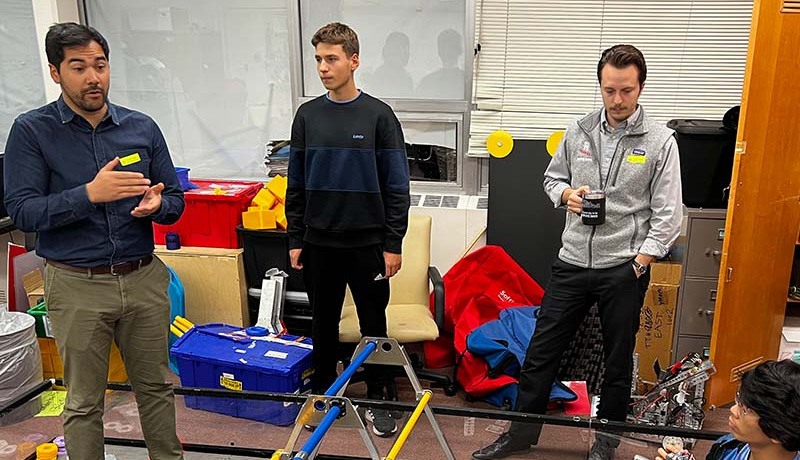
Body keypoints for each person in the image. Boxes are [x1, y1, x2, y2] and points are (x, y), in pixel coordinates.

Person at [472, 44, 683, 460]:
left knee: (617, 362)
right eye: (609, 90)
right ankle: (519, 436)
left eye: (626, 91)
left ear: (641, 87)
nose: (617, 100)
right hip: (571, 262)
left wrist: (640, 263)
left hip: (623, 268)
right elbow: (552, 179)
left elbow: (669, 214)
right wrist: (566, 193)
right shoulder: (580, 130)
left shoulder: (661, 142)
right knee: (540, 353)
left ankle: (606, 443)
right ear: (600, 87)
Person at [3, 23, 185, 460]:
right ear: (55, 72)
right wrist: (88, 195)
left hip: (142, 277)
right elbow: (24, 212)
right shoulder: (32, 132)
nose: (93, 78)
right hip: (76, 284)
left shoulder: (141, 127)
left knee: (157, 388)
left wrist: (156, 207)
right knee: (84, 400)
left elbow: (175, 200)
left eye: (100, 66)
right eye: (79, 67)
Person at [286, 22, 410, 438]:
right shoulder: (307, 116)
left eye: (331, 58)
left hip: (368, 244)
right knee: (321, 323)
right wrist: (295, 238)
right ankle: (324, 395)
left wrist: (393, 243)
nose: (323, 67)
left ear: (354, 61)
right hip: (319, 242)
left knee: (374, 325)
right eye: (318, 59)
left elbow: (396, 186)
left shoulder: (379, 116)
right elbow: (296, 182)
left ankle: (379, 398)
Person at [657, 360, 800, 460]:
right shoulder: (726, 446)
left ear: (777, 432)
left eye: (745, 409)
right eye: (739, 399)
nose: (733, 409)